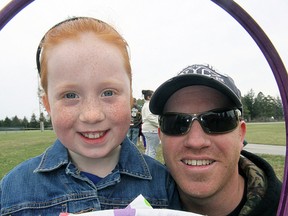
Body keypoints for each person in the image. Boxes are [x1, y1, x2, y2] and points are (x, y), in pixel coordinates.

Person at [0, 17, 181, 215]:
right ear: (48, 106)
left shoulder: (163, 185)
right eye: (70, 95)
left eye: (108, 93)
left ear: (130, 98)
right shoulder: (13, 191)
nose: (92, 115)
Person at [149, 64, 282, 216]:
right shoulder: (133, 203)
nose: (196, 142)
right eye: (176, 123)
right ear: (161, 136)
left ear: (241, 134)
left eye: (217, 121)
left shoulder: (281, 207)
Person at [141, 90, 160, 159]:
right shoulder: (149, 105)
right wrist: (159, 124)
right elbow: (150, 117)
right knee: (152, 150)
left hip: (147, 129)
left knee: (149, 149)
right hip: (151, 130)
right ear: (149, 97)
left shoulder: (145, 105)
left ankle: (146, 164)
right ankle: (150, 165)